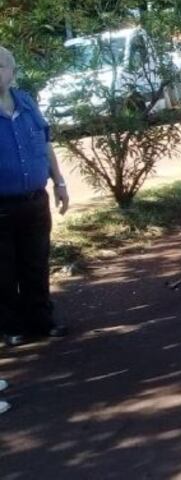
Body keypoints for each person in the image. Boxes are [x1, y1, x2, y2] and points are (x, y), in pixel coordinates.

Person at [0, 46, 70, 347]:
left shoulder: (26, 103)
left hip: (35, 200)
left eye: (0, 65)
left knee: (37, 262)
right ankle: (9, 327)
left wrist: (60, 182)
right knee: (3, 269)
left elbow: (45, 144)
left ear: (12, 72)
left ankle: (41, 320)